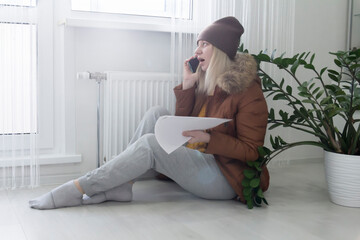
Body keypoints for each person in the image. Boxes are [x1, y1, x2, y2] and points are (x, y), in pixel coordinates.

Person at [29, 16, 269, 210]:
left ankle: (79, 188)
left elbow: (251, 151)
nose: (196, 51)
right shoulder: (206, 81)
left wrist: (209, 139)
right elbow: (182, 124)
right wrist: (187, 86)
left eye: (204, 44)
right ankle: (124, 185)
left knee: (151, 144)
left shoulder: (248, 91)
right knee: (157, 113)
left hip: (225, 176)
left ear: (219, 50)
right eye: (197, 44)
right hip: (202, 159)